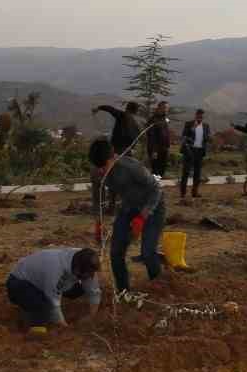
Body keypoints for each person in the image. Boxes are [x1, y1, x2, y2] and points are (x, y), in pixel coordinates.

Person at [89, 137, 167, 294]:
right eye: (98, 167)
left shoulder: (130, 167)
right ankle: (123, 292)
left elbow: (156, 190)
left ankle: (159, 288)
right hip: (129, 207)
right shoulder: (98, 172)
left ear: (113, 157)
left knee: (147, 253)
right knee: (116, 252)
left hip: (153, 206)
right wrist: (99, 222)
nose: (101, 171)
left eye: (104, 166)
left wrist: (142, 217)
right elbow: (98, 198)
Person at [6, 247, 102, 327]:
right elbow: (53, 303)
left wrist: (91, 316)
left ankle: (34, 303)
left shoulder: (84, 261)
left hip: (44, 281)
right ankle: (33, 325)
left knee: (79, 290)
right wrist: (64, 326)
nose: (90, 277)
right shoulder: (55, 269)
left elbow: (94, 291)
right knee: (43, 307)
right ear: (77, 269)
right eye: (86, 274)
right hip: (18, 282)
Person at [179, 108, 209, 200]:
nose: (200, 117)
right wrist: (193, 128)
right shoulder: (189, 124)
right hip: (189, 150)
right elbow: (184, 136)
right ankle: (183, 192)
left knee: (197, 173)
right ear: (195, 115)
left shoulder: (206, 126)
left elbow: (206, 137)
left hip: (200, 151)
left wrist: (209, 138)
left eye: (201, 116)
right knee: (186, 172)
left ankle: (195, 192)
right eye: (198, 116)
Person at [144, 101, 171, 179]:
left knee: (162, 170)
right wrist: (153, 151)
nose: (166, 110)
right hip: (156, 150)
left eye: (167, 108)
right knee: (155, 171)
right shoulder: (153, 120)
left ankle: (157, 188)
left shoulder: (165, 119)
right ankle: (154, 188)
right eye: (164, 108)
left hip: (164, 149)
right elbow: (151, 136)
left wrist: (168, 146)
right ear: (159, 108)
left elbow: (167, 134)